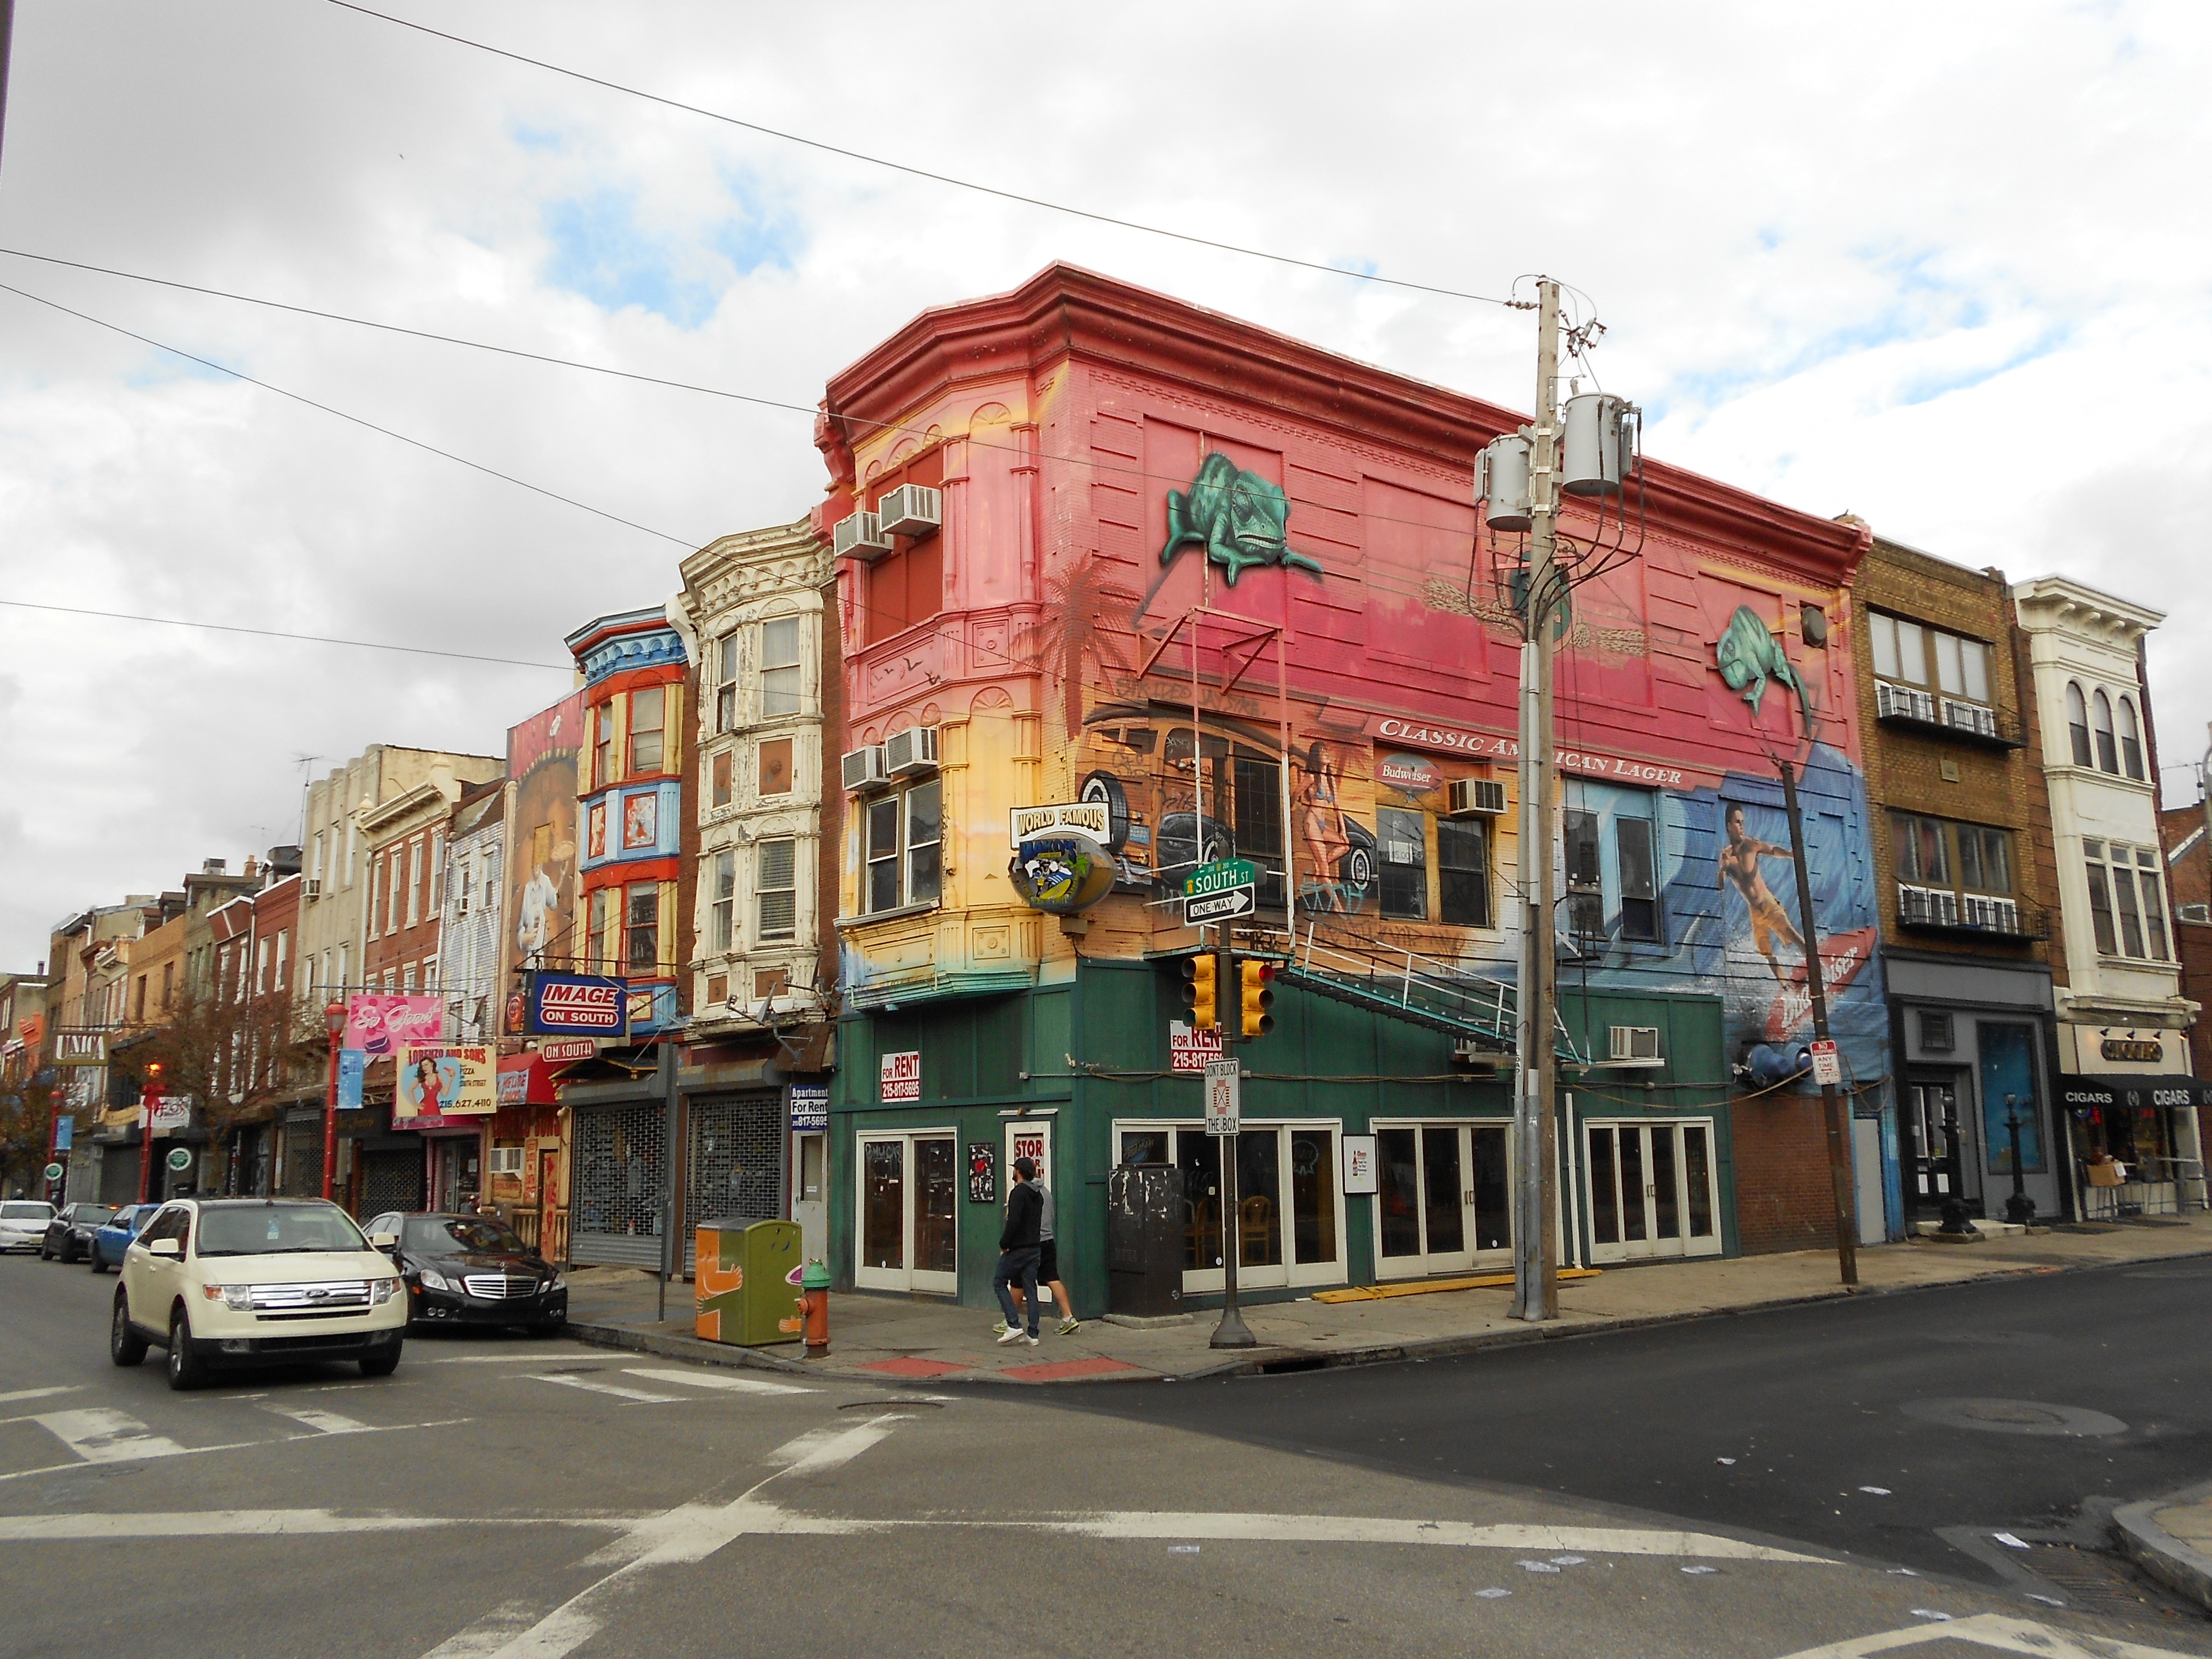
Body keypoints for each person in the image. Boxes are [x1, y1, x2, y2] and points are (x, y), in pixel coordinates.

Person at [1717, 803, 1804, 985]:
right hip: (1755, 912)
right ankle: (1786, 987)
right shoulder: (1725, 855)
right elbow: (1720, 887)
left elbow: (1772, 850)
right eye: (1737, 822)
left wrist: (1790, 855)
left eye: (1743, 822)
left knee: (1793, 936)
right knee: (1766, 952)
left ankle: (1818, 969)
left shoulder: (1751, 845)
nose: (1741, 826)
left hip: (1767, 904)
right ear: (1728, 825)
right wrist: (1723, 869)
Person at [998, 1177, 1080, 1337]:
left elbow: (1017, 1220)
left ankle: (1011, 1320)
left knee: (1017, 1282)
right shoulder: (1046, 1193)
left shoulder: (1025, 1193)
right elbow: (1051, 1217)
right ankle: (1068, 1316)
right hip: (1048, 1240)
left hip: (1031, 1243)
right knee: (1052, 1278)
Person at [991, 1157, 1044, 1347]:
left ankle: (1013, 1324)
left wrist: (1004, 1244)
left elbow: (1013, 1222)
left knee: (999, 1283)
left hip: (1018, 1249)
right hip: (1035, 1248)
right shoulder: (1038, 1194)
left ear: (1019, 1172)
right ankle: (1033, 1333)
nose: (1013, 1173)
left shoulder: (1018, 1193)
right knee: (1031, 1290)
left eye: (1014, 1170)